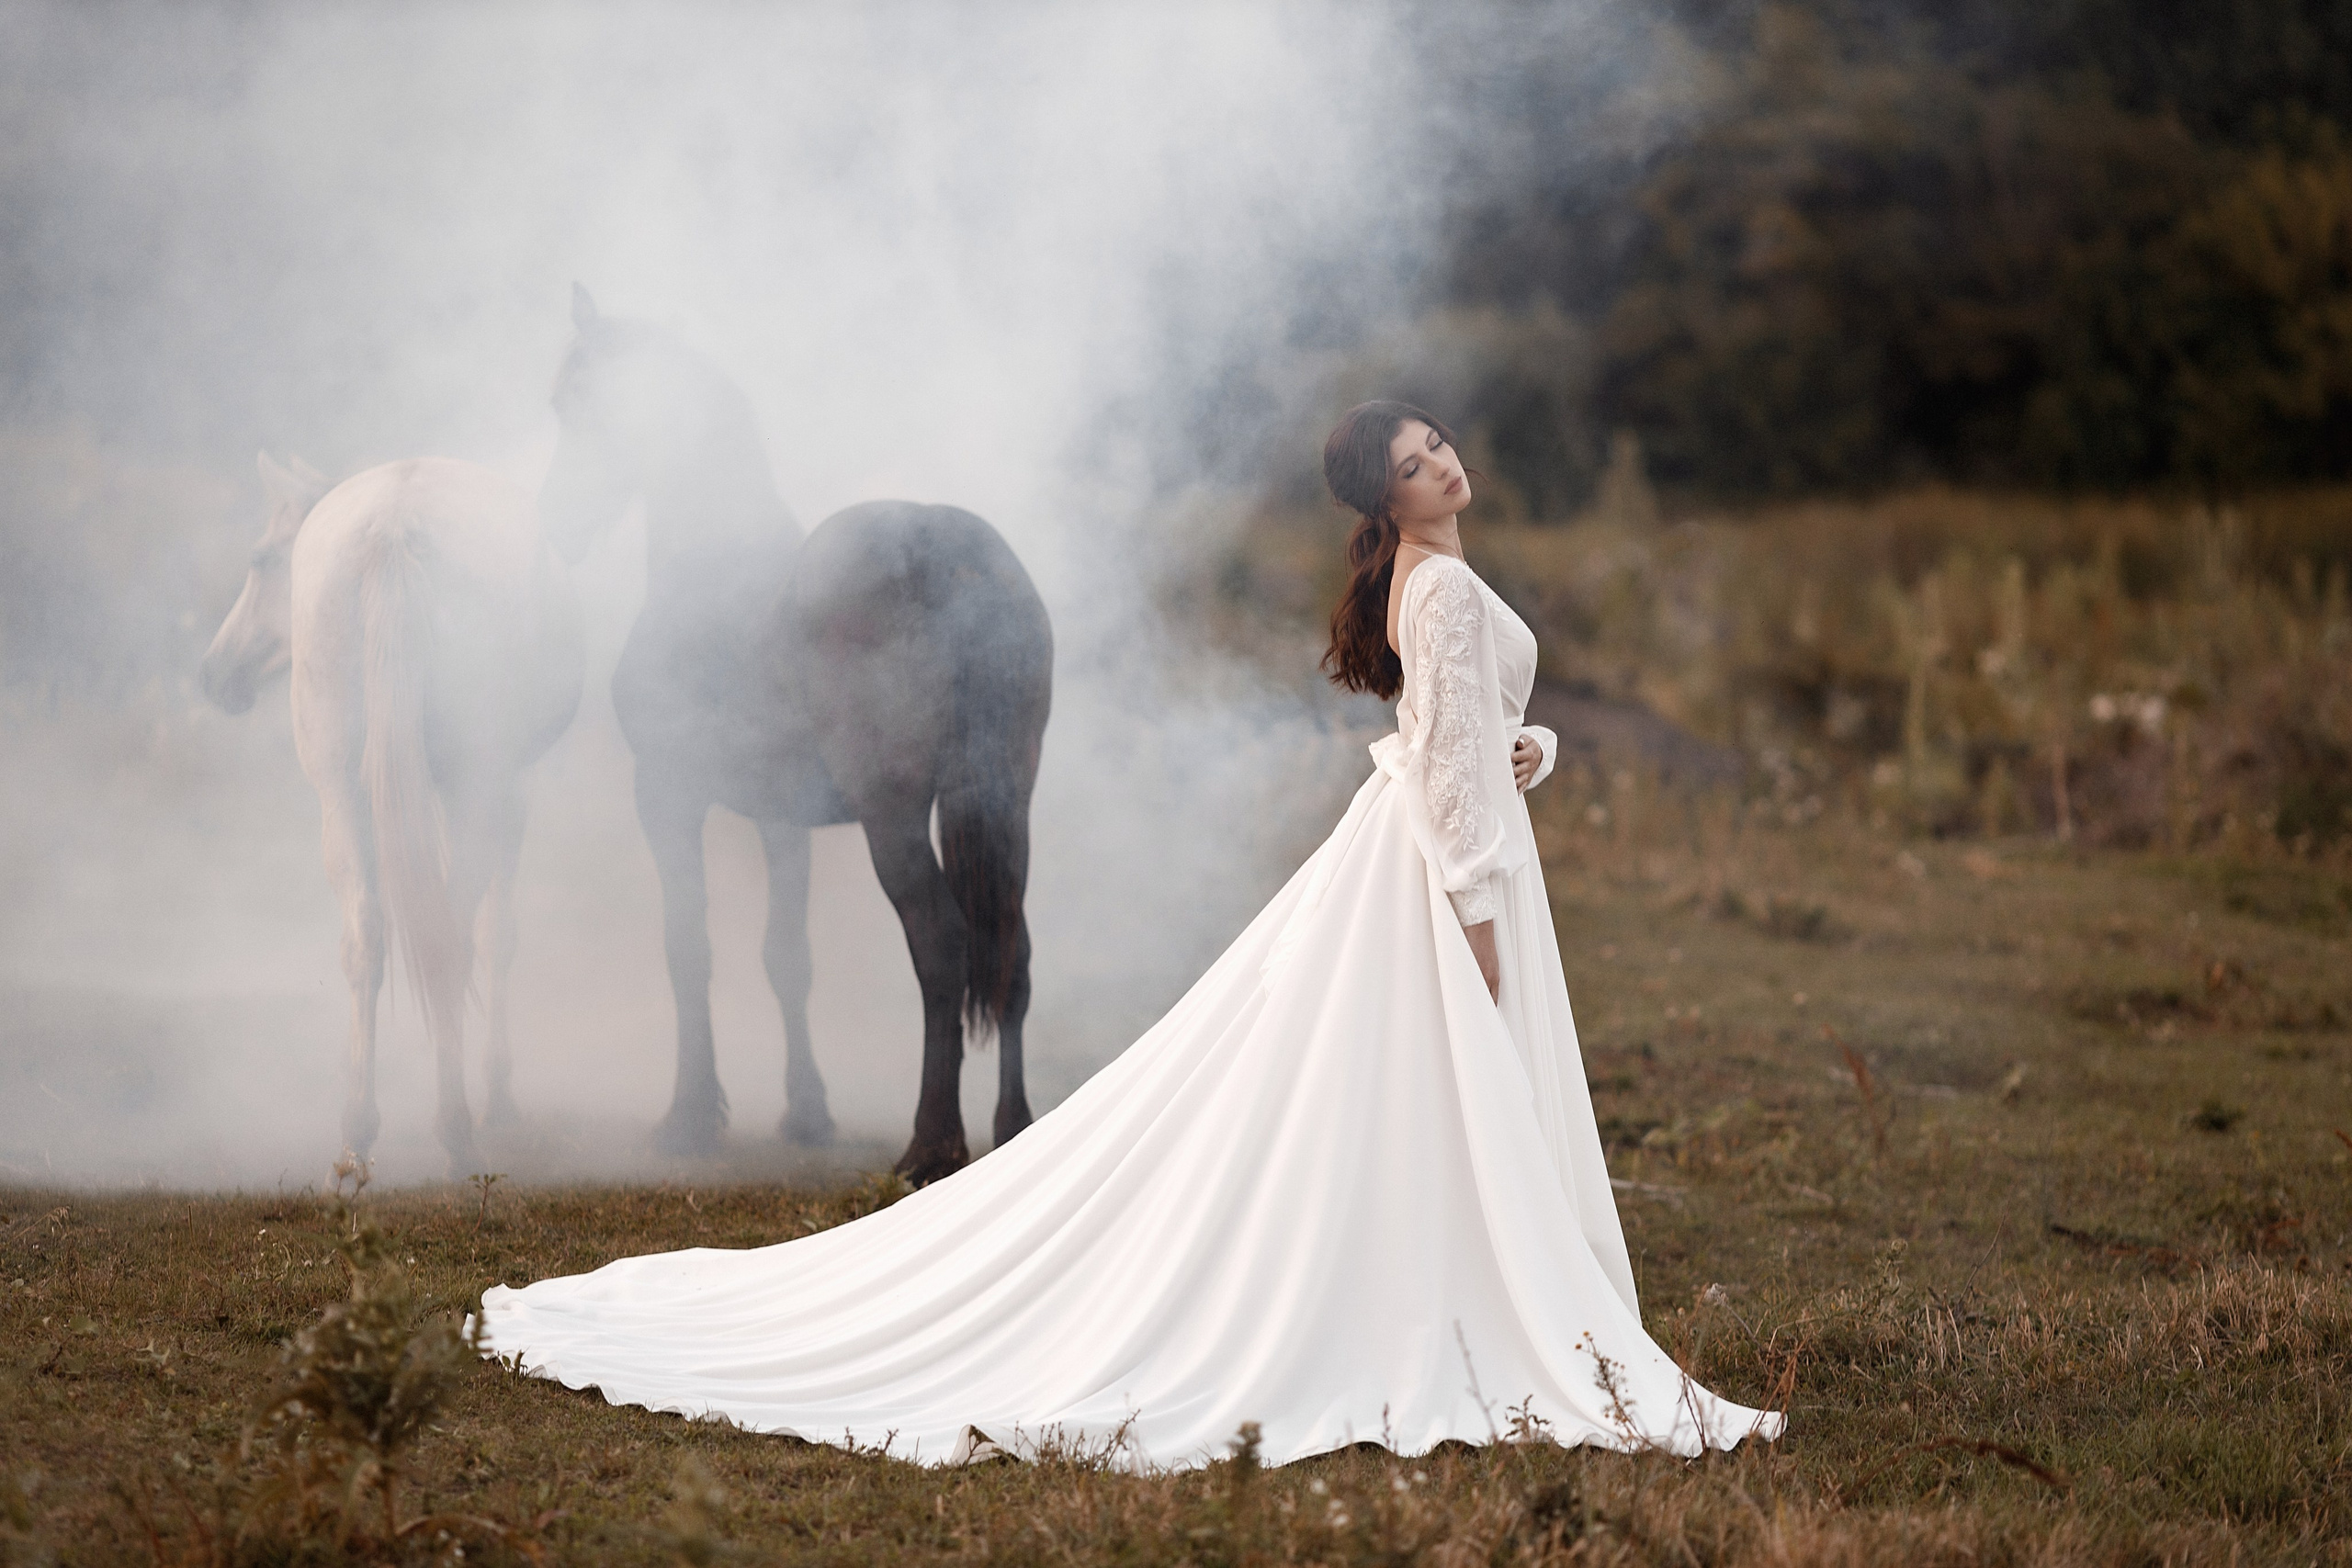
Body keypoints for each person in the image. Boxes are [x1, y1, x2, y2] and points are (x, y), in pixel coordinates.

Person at [475, 400, 1784, 1469]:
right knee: (1433, 1077)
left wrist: (1528, 752)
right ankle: (1456, 1304)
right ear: (1385, 502)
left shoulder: (1433, 578)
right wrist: (1480, 924)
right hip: (1456, 873)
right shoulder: (1434, 591)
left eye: (1437, 441)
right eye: (1413, 462)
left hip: (1457, 848)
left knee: (1394, 1094)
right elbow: (1444, 786)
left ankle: (1448, 1290)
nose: (1443, 460)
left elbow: (1454, 749)